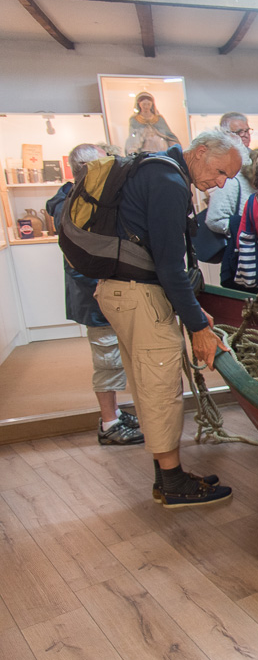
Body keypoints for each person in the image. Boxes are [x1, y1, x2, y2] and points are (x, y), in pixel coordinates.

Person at [93, 128, 241, 508]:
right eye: (220, 172)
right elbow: (170, 265)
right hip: (140, 296)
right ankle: (173, 483)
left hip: (124, 292)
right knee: (160, 387)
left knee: (147, 382)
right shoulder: (169, 181)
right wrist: (198, 328)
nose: (220, 184)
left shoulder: (155, 170)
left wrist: (192, 310)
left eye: (228, 178)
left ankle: (167, 476)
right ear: (201, 152)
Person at [45, 143, 143, 446]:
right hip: (95, 294)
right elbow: (83, 260)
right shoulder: (72, 205)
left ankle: (114, 413)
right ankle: (109, 422)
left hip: (98, 291)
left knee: (112, 355)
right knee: (107, 358)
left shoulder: (78, 199)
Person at [205, 112, 255, 236]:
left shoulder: (256, 157)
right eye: (239, 132)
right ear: (225, 135)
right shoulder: (218, 162)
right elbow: (215, 219)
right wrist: (241, 228)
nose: (245, 135)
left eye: (247, 131)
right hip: (240, 233)